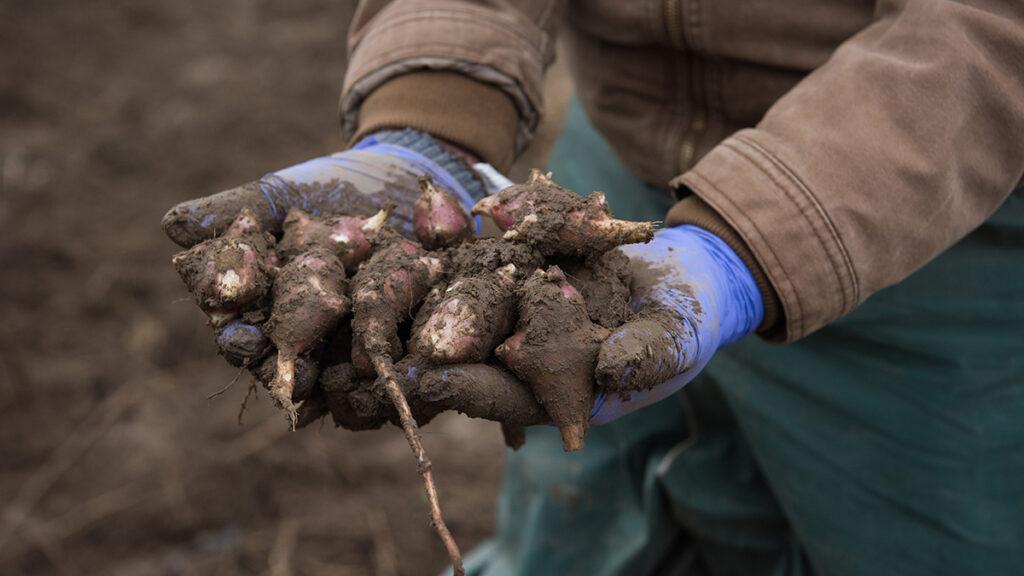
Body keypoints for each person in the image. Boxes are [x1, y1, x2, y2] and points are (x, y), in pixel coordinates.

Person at [162, 1, 1024, 574]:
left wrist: (751, 244)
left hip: (917, 204)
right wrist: (436, 112)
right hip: (607, 183)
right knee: (575, 539)